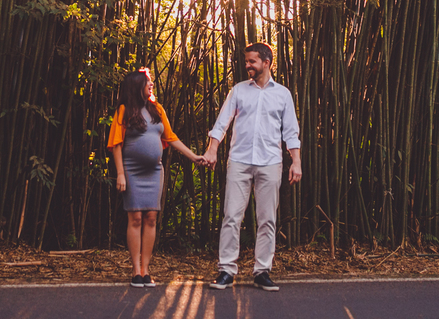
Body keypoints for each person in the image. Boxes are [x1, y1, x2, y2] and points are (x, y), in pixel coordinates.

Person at [199, 42, 301, 292]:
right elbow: (222, 122)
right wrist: (212, 149)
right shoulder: (238, 91)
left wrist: (296, 162)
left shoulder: (283, 94)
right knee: (231, 216)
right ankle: (226, 270)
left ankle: (262, 271)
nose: (247, 65)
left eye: (252, 61)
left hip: (271, 162)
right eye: (246, 61)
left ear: (266, 63)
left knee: (267, 219)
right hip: (240, 161)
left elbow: (290, 131)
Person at [107, 67, 203, 288]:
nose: (151, 85)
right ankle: (135, 270)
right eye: (147, 82)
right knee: (136, 219)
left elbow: (171, 138)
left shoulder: (157, 109)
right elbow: (116, 145)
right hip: (131, 170)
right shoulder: (124, 110)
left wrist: (193, 156)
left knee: (151, 218)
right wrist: (120, 173)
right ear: (136, 86)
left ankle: (146, 270)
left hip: (154, 171)